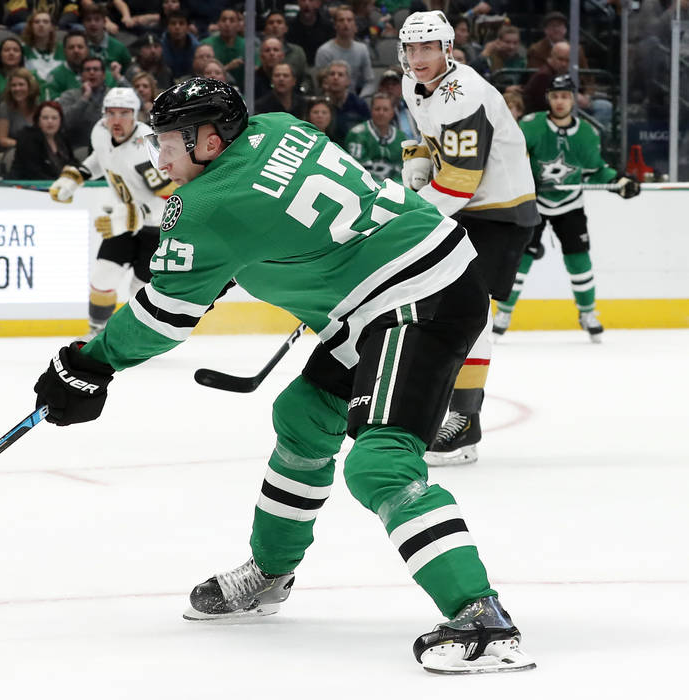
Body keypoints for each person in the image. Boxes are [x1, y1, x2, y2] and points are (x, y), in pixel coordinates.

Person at [32, 76, 535, 675]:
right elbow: (295, 219)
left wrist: (91, 363)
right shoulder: (277, 126)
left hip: (414, 300)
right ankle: (270, 573)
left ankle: (480, 615)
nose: (156, 154)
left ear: (211, 142)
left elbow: (162, 320)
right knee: (302, 414)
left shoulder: (205, 208)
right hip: (394, 284)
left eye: (168, 142)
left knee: (379, 464)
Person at [398, 11, 538, 466]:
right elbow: (429, 140)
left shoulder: (466, 95)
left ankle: (465, 422)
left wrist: (409, 216)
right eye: (411, 49)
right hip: (467, 207)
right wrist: (418, 162)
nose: (418, 58)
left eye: (427, 48)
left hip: (499, 212)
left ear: (447, 49)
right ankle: (448, 408)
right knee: (443, 306)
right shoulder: (412, 84)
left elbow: (460, 183)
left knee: (470, 311)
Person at [493, 74, 640, 342]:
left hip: (570, 203)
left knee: (579, 260)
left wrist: (619, 181)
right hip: (533, 203)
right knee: (520, 260)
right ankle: (504, 312)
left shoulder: (586, 133)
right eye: (555, 96)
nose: (559, 101)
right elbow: (512, 161)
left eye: (565, 96)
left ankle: (587, 313)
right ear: (548, 98)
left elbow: (596, 170)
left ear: (573, 99)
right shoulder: (531, 126)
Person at [48, 86, 174, 339]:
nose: (116, 120)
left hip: (156, 228)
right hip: (124, 219)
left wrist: (136, 214)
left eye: (124, 113)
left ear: (136, 114)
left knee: (141, 289)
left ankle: (138, 336)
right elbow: (101, 157)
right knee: (103, 276)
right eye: (111, 112)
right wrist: (75, 177)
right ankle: (98, 332)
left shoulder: (149, 146)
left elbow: (172, 195)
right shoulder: (100, 131)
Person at [57, 55, 121, 151]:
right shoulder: (69, 96)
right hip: (80, 150)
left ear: (103, 75)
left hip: (113, 148)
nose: (92, 72)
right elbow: (64, 122)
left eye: (96, 69)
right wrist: (84, 99)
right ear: (81, 75)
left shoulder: (115, 95)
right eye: (87, 70)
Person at [314, 4, 373, 96]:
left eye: (349, 20)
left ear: (355, 25)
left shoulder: (362, 49)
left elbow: (369, 82)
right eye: (341, 20)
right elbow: (322, 84)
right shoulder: (324, 51)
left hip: (354, 100)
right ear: (335, 25)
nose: (346, 23)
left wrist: (359, 99)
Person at [344, 92, 406, 181]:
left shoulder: (401, 137)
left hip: (395, 188)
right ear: (371, 110)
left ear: (392, 112)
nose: (381, 113)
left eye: (385, 109)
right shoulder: (357, 134)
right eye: (377, 109)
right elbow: (356, 169)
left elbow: (404, 169)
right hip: (367, 187)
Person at [9, 99, 76, 179]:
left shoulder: (63, 138)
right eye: (45, 118)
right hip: (26, 186)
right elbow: (33, 172)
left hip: (59, 184)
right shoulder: (28, 138)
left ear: (60, 121)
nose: (50, 121)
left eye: (54, 118)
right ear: (38, 121)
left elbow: (73, 163)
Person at [317, 60, 368, 143]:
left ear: (348, 81)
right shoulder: (319, 104)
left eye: (340, 75)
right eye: (332, 74)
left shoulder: (359, 104)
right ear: (327, 79)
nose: (335, 77)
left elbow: (368, 132)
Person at [263, 10, 309, 92]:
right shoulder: (257, 51)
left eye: (279, 22)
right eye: (271, 23)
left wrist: (302, 90)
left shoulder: (297, 52)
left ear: (286, 28)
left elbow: (305, 76)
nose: (275, 25)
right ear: (265, 29)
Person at [0, 67, 38, 151]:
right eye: (13, 85)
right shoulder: (4, 107)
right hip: (12, 153)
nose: (17, 89)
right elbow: (1, 139)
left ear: (30, 87)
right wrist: (26, 145)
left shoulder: (39, 106)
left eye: (21, 85)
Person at [201, 8, 246, 87]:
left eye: (232, 20)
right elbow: (201, 73)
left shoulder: (247, 45)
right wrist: (227, 67)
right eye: (224, 20)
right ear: (218, 23)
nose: (227, 24)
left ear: (239, 25)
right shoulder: (206, 45)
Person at [81, 4, 130, 75]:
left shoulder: (120, 48)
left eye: (97, 19)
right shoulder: (77, 47)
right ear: (83, 23)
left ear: (104, 22)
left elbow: (128, 71)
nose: (93, 23)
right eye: (88, 20)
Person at [21, 11, 63, 84]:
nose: (41, 25)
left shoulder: (63, 49)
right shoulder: (22, 49)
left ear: (51, 27)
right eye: (37, 22)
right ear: (31, 27)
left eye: (45, 22)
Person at [287, 0, 333, 64]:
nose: (306, 3)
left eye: (311, 0)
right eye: (303, 0)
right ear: (298, 2)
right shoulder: (289, 27)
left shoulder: (328, 27)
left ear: (318, 3)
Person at [160, 10, 197, 81]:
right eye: (173, 23)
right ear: (167, 27)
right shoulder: (159, 47)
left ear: (188, 27)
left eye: (181, 23)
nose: (177, 27)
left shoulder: (196, 48)